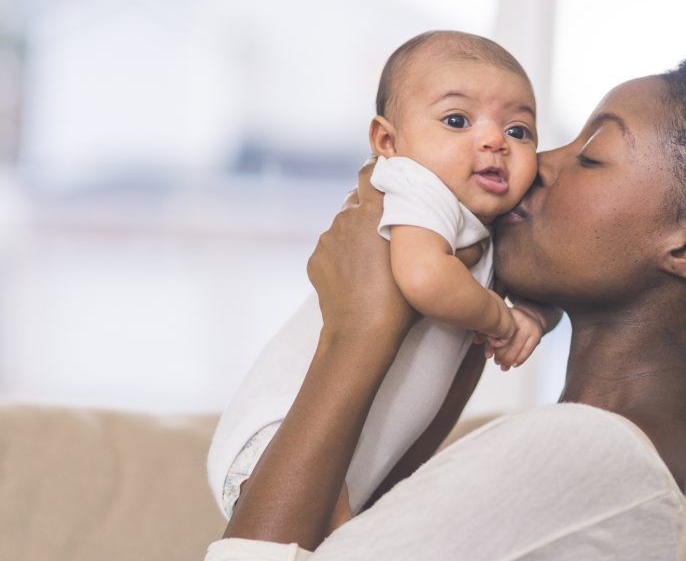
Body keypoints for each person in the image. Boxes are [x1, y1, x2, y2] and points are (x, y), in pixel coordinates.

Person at [182, 40, 686, 561]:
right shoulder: (631, 463)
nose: (535, 161)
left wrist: (357, 330)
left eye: (593, 154)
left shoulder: (587, 458)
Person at [206, 31, 561, 523]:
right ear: (388, 142)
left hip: (356, 455)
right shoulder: (415, 184)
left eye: (519, 131)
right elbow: (425, 277)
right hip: (278, 434)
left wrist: (537, 316)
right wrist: (504, 321)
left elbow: (554, 280)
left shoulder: (491, 220)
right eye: (457, 120)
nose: (494, 140)